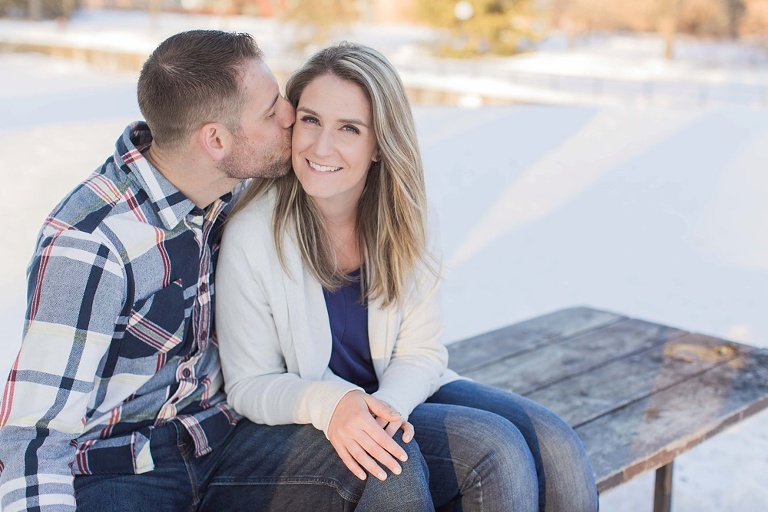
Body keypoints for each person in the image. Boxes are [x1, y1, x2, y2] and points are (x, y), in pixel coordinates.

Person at [0, 30, 432, 512]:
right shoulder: (90, 244)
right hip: (119, 472)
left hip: (223, 443)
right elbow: (32, 436)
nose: (291, 117)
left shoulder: (222, 194)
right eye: (272, 111)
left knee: (389, 465)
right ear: (216, 140)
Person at [216, 41, 600, 511]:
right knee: (494, 450)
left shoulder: (407, 218)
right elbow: (249, 384)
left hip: (395, 393)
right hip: (308, 418)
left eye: (349, 128)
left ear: (380, 145)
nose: (321, 146)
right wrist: (332, 406)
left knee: (554, 444)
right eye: (311, 120)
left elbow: (421, 351)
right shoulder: (254, 231)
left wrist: (388, 408)